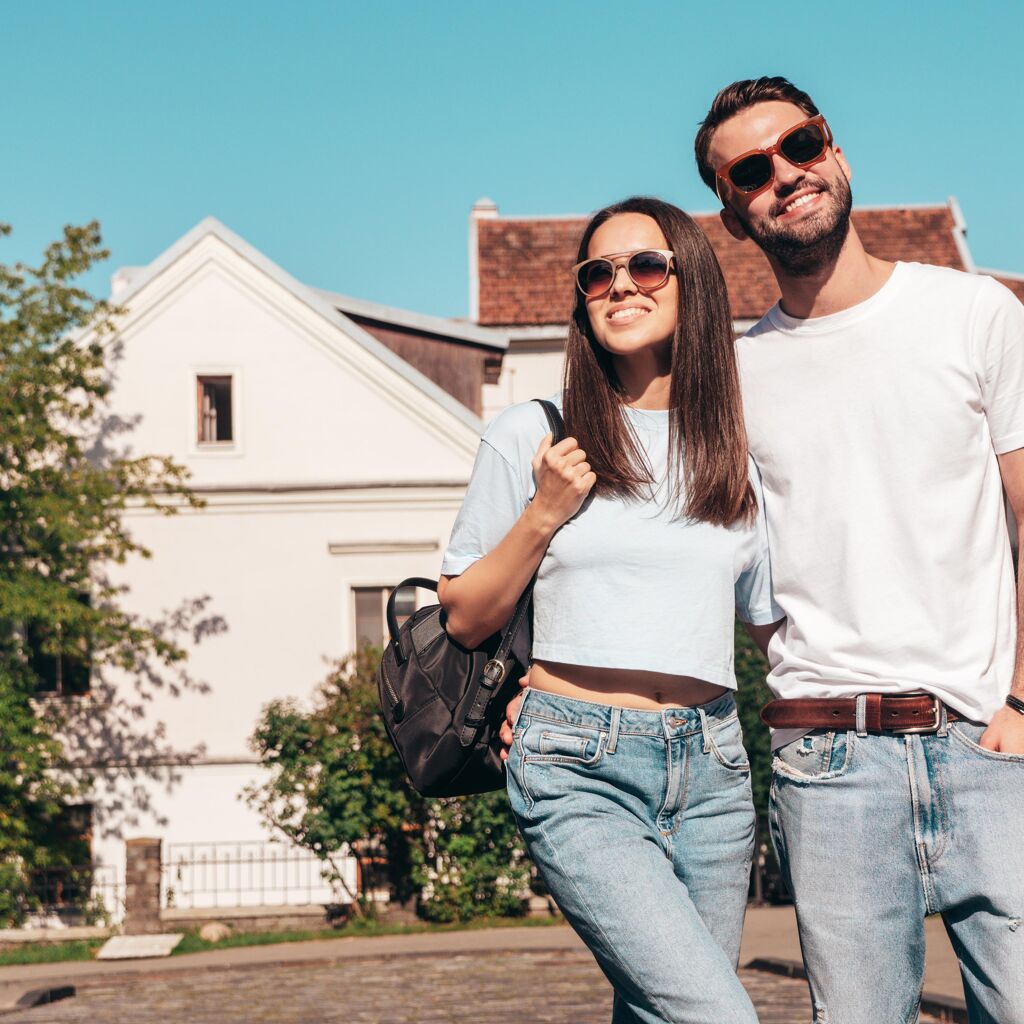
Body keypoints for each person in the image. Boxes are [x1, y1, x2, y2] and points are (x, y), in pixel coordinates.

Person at [689, 77, 1024, 1024]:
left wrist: (1022, 705)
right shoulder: (740, 375)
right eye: (752, 171)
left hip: (990, 740)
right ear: (734, 212)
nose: (785, 175)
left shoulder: (976, 313)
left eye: (799, 146)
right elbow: (743, 573)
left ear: (834, 148)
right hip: (829, 764)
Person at [439, 196, 782, 1024]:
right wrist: (543, 511)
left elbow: (771, 621)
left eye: (646, 265)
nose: (620, 285)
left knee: (664, 1012)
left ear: (689, 283)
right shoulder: (534, 431)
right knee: (717, 1013)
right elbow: (465, 616)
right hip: (578, 764)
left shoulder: (732, 445)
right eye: (598, 273)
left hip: (713, 771)